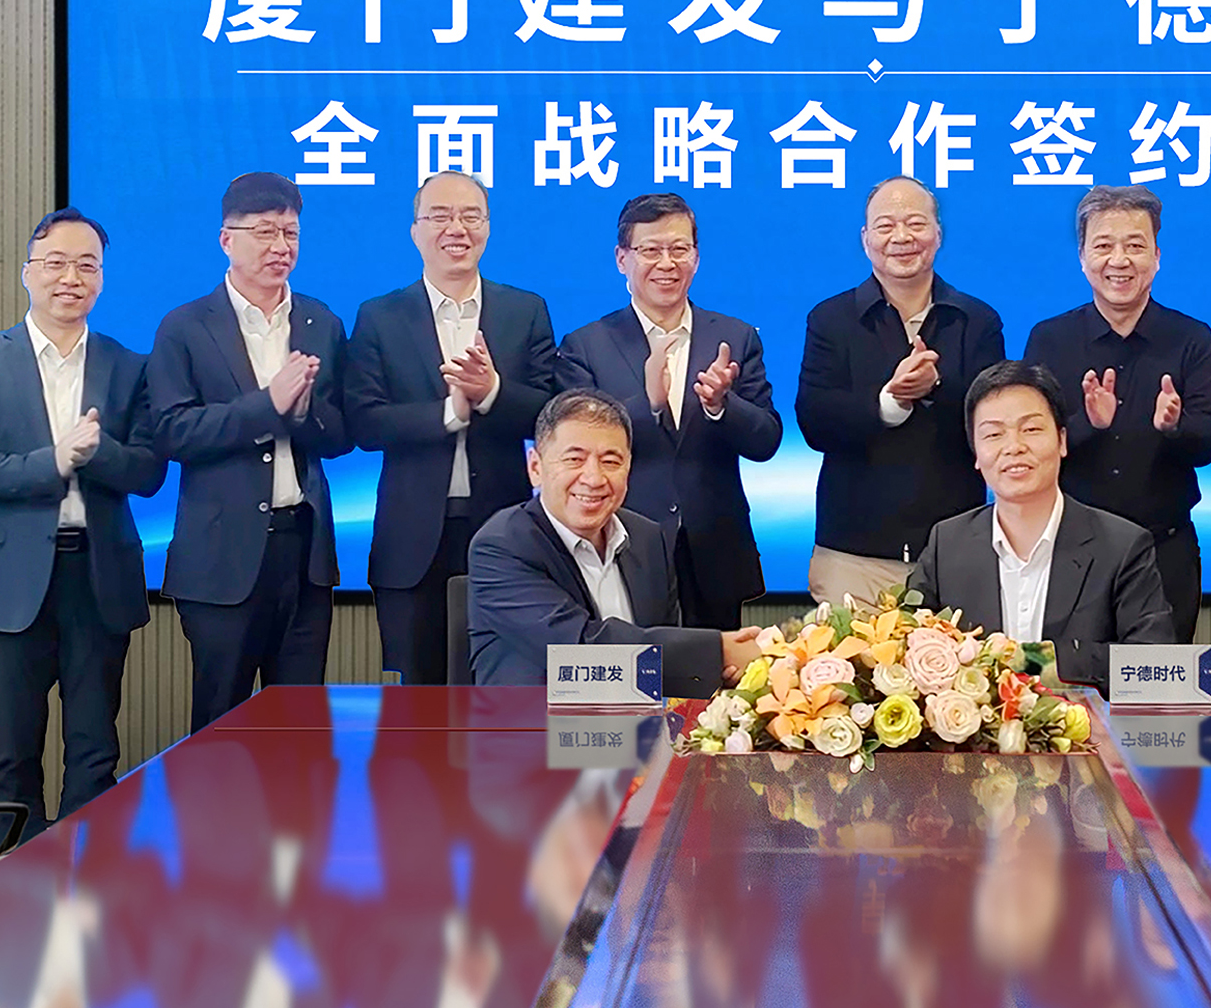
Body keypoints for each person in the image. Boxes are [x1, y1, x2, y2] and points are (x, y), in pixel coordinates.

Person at [0, 208, 165, 848]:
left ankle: (85, 878)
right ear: (28, 273)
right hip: (10, 579)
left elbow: (150, 471)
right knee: (14, 747)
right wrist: (55, 460)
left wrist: (97, 453)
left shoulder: (129, 366)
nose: (72, 278)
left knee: (95, 746)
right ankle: (12, 885)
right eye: (57, 263)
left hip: (99, 572)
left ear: (102, 279)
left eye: (87, 266)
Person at [149, 172, 351, 732]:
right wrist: (268, 405)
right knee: (222, 726)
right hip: (220, 560)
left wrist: (303, 413)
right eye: (264, 231)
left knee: (301, 726)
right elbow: (172, 431)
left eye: (290, 232)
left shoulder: (321, 322)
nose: (280, 246)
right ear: (226, 240)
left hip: (303, 553)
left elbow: (342, 435)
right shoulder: (185, 327)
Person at [343, 171, 558, 683]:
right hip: (410, 541)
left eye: (470, 216)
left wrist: (492, 393)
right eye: (439, 216)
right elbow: (363, 422)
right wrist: (449, 413)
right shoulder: (380, 316)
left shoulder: (525, 310)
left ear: (488, 227)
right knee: (415, 698)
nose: (456, 228)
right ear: (416, 230)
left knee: (504, 686)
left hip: (506, 532)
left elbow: (552, 413)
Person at [555, 194, 781, 631]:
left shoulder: (735, 336)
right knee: (636, 668)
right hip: (622, 545)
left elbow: (767, 440)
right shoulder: (585, 345)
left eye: (679, 249)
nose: (666, 263)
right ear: (622, 259)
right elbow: (576, 444)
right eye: (650, 250)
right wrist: (648, 406)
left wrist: (721, 406)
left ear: (696, 257)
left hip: (713, 553)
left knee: (715, 671)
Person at [1023, 185, 1211, 642]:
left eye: (1135, 246)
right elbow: (1033, 444)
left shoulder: (1191, 337)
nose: (1119, 260)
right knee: (1070, 681)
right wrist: (1088, 425)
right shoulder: (1049, 340)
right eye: (1104, 246)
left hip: (1164, 549)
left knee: (1160, 682)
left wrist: (1174, 427)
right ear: (1082, 257)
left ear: (1157, 256)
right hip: (1069, 551)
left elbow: (1209, 445)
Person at [467, 389, 763, 695]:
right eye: (574, 459)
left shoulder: (649, 538)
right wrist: (716, 653)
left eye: (610, 461)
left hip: (637, 717)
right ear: (535, 467)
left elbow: (661, 656)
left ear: (628, 467)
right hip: (531, 720)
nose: (593, 478)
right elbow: (576, 651)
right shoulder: (501, 545)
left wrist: (718, 673)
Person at [797, 176, 1005, 605]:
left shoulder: (977, 320)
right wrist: (889, 402)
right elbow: (815, 421)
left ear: (938, 234)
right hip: (853, 553)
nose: (902, 237)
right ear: (865, 239)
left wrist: (936, 386)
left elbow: (992, 422)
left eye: (915, 223)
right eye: (886, 225)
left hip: (955, 550)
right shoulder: (831, 320)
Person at [906, 362, 1175, 691]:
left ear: (1062, 440)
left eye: (1031, 429)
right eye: (993, 434)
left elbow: (1157, 666)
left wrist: (1033, 661)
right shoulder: (946, 544)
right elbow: (907, 643)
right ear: (976, 453)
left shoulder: (1122, 546)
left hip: (1087, 723)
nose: (1014, 446)